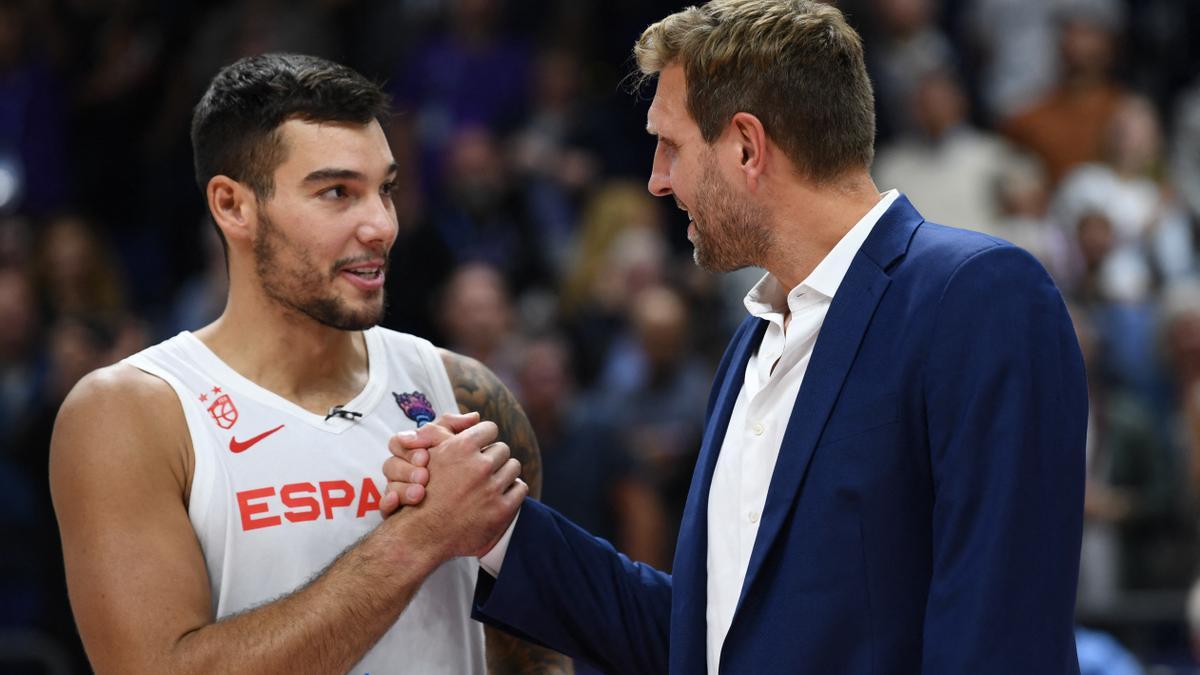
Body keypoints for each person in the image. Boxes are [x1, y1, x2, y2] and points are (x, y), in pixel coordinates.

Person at [384, 1, 1088, 673]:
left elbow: (1003, 635)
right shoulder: (751, 345)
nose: (657, 180)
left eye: (669, 145)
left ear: (748, 146)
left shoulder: (978, 294)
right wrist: (499, 530)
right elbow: (709, 638)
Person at [48, 53, 570, 674]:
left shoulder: (467, 392)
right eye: (336, 193)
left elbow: (534, 655)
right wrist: (416, 539)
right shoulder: (131, 413)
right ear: (233, 206)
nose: (381, 225)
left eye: (386, 190)